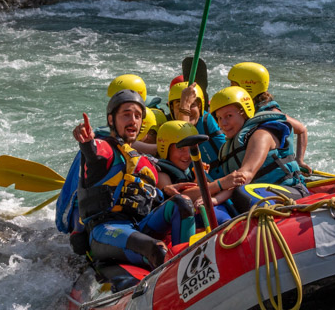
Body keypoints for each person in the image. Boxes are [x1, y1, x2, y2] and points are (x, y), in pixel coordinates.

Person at [71, 89, 169, 270]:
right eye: (126, 115)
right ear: (111, 120)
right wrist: (86, 142)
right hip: (106, 229)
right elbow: (94, 152)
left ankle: (191, 259)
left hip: (138, 226)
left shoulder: (145, 163)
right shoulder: (106, 149)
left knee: (181, 204)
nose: (133, 120)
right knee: (156, 249)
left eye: (138, 116)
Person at [205, 86, 309, 208]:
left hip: (290, 191)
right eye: (219, 118)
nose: (223, 123)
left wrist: (216, 199)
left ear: (245, 113)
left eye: (229, 116)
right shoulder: (230, 144)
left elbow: (245, 175)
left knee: (242, 193)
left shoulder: (262, 135)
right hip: (259, 192)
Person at [154, 120, 244, 228]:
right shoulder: (161, 173)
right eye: (181, 149)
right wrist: (221, 184)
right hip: (184, 227)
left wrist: (198, 179)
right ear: (166, 148)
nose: (187, 155)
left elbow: (194, 192)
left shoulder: (187, 170)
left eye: (191, 149)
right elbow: (176, 200)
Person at [228, 62, 310, 174]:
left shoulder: (271, 112)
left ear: (247, 87)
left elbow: (302, 130)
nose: (229, 89)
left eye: (233, 85)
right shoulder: (246, 108)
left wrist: (300, 161)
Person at [167, 81, 226, 167]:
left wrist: (185, 106)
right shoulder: (167, 130)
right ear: (172, 109)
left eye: (192, 105)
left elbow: (185, 136)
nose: (188, 110)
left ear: (199, 106)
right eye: (180, 105)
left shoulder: (212, 120)